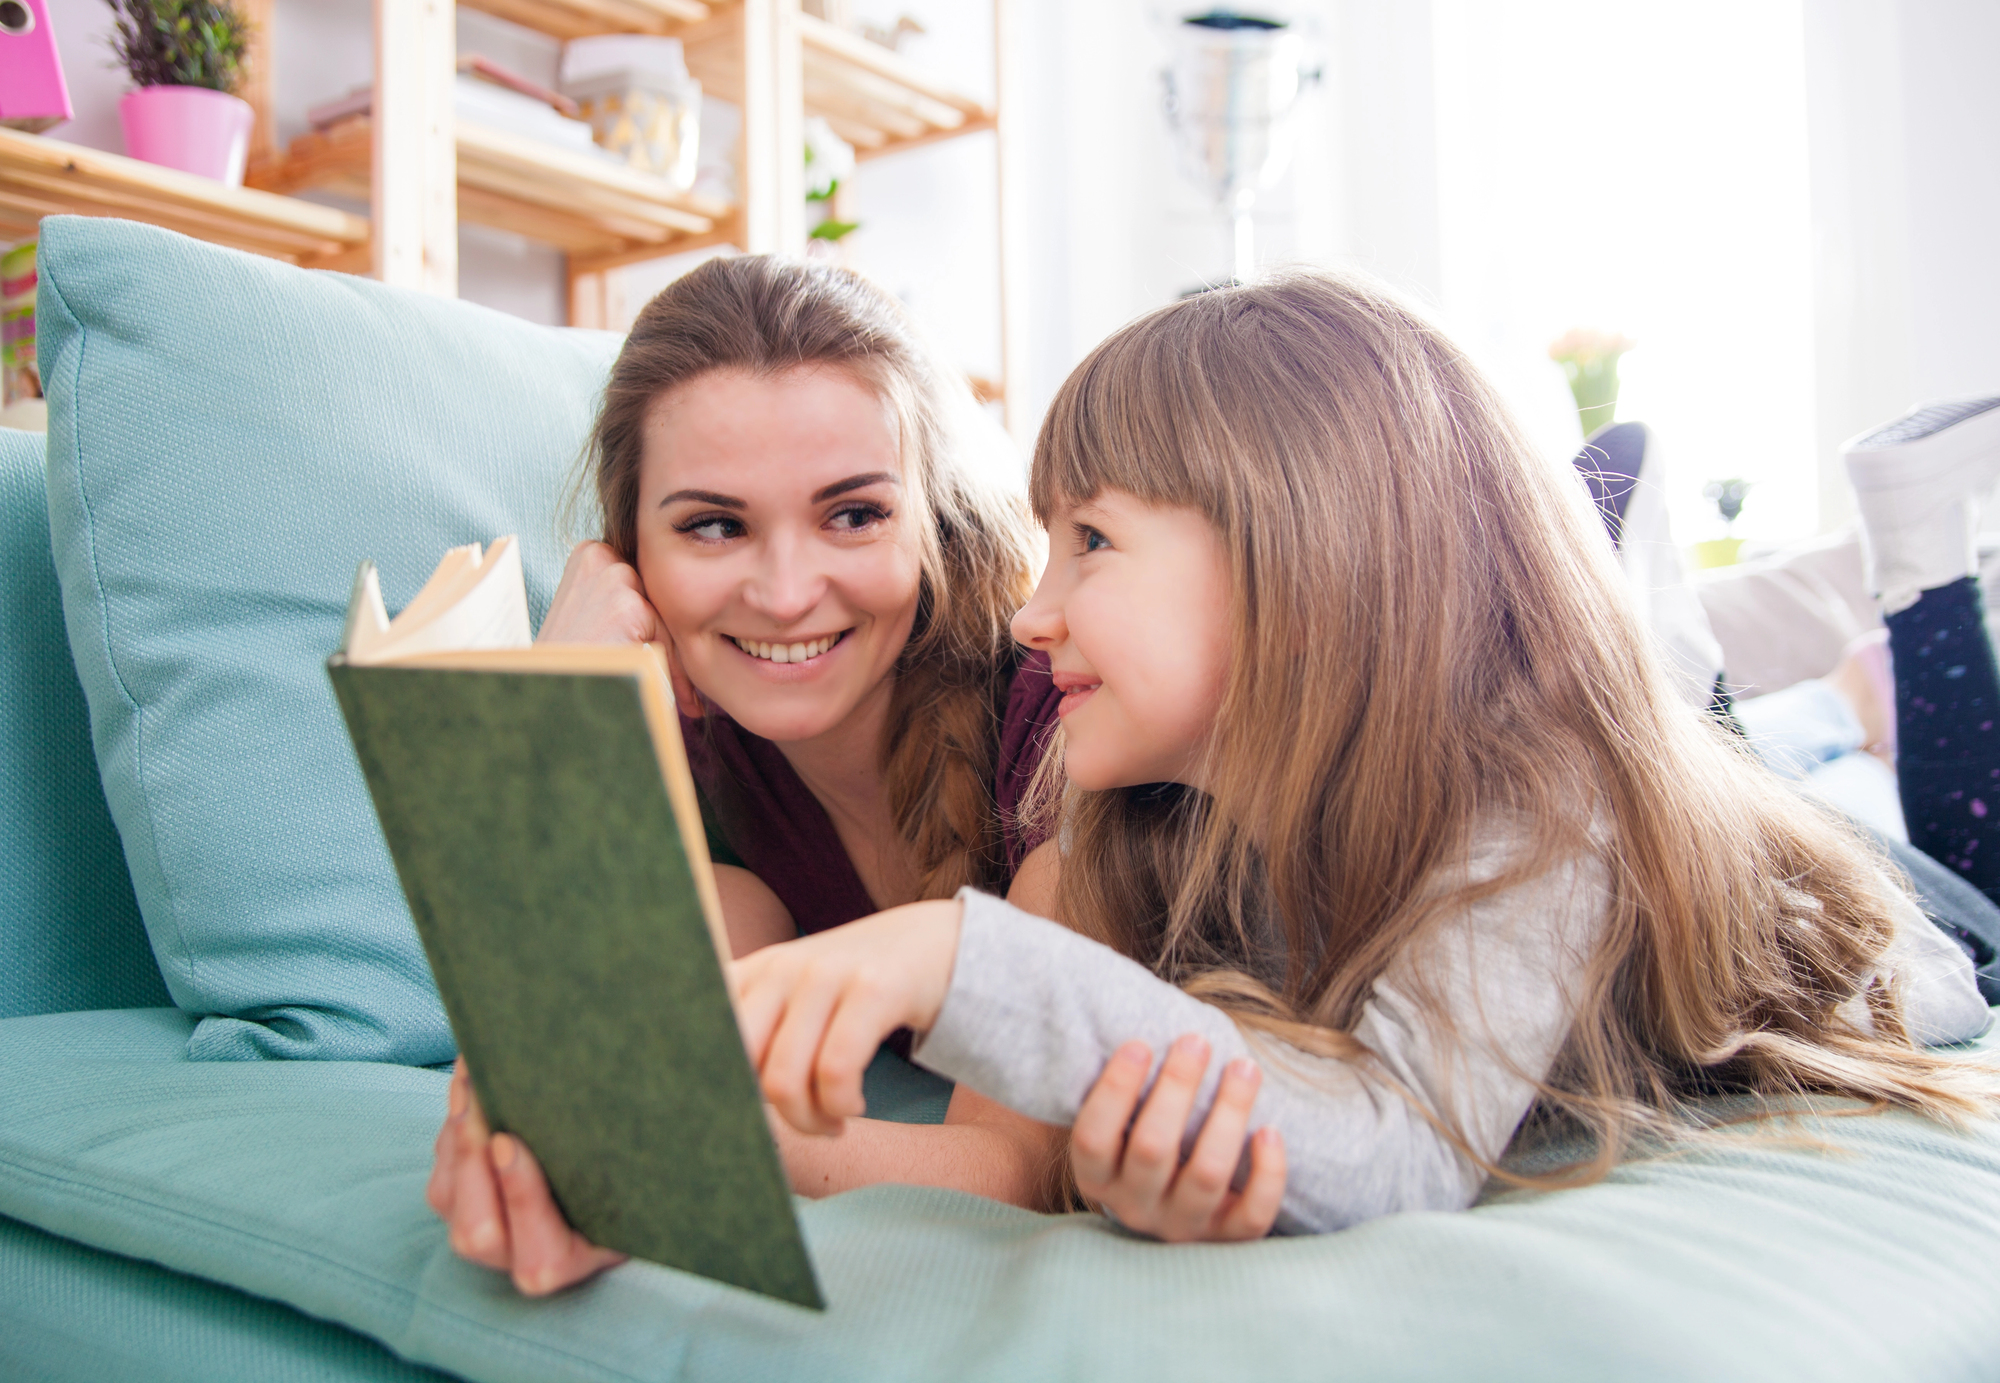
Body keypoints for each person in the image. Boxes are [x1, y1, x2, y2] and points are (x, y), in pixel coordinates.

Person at [731, 268, 1994, 1244]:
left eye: (1092, 542)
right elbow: (1268, 1106)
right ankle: (1699, 605)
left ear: (1300, 559)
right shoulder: (1148, 826)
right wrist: (1176, 1153)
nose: (1028, 611)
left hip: (1895, 931)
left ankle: (1870, 578)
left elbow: (1400, 1142)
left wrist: (960, 957)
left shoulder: (1537, 805)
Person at [428, 255, 1070, 1292]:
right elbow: (563, 1016)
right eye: (713, 525)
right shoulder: (705, 739)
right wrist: (561, 709)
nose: (782, 594)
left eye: (853, 515)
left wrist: (684, 1123)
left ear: (930, 522)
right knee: (715, 903)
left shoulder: (1053, 737)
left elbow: (1012, 1170)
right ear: (630, 549)